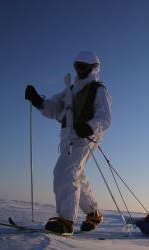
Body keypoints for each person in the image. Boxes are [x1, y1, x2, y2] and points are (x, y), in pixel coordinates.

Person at [25, 51, 112, 234]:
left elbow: (104, 118)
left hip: (84, 138)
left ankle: (66, 221)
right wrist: (38, 101)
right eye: (76, 66)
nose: (79, 70)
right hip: (67, 137)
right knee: (76, 174)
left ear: (93, 68)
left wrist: (89, 127)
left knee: (64, 172)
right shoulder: (70, 90)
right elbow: (55, 108)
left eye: (83, 67)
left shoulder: (98, 89)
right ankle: (93, 213)